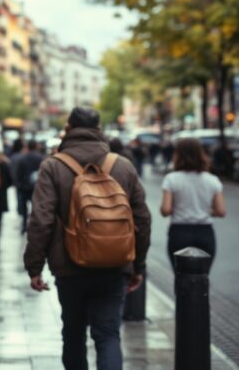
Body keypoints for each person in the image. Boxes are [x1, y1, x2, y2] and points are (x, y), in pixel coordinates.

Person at [24, 107, 151, 370]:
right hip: (115, 265)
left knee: (73, 334)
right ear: (99, 130)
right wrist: (137, 266)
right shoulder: (123, 166)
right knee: (108, 335)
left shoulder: (53, 166)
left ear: (68, 128)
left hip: (70, 266)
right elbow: (142, 219)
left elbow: (41, 219)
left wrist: (34, 266)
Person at [160, 138, 226, 268]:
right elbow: (221, 211)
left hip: (179, 232)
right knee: (202, 275)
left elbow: (165, 210)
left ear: (178, 155)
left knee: (181, 276)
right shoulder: (212, 180)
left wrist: (178, 208)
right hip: (205, 232)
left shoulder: (171, 179)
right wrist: (205, 210)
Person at [16, 140, 45, 234]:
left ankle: (24, 225)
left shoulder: (23, 158)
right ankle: (33, 225)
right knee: (35, 207)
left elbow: (19, 173)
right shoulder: (41, 158)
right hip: (36, 187)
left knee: (24, 207)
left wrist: (19, 184)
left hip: (24, 187)